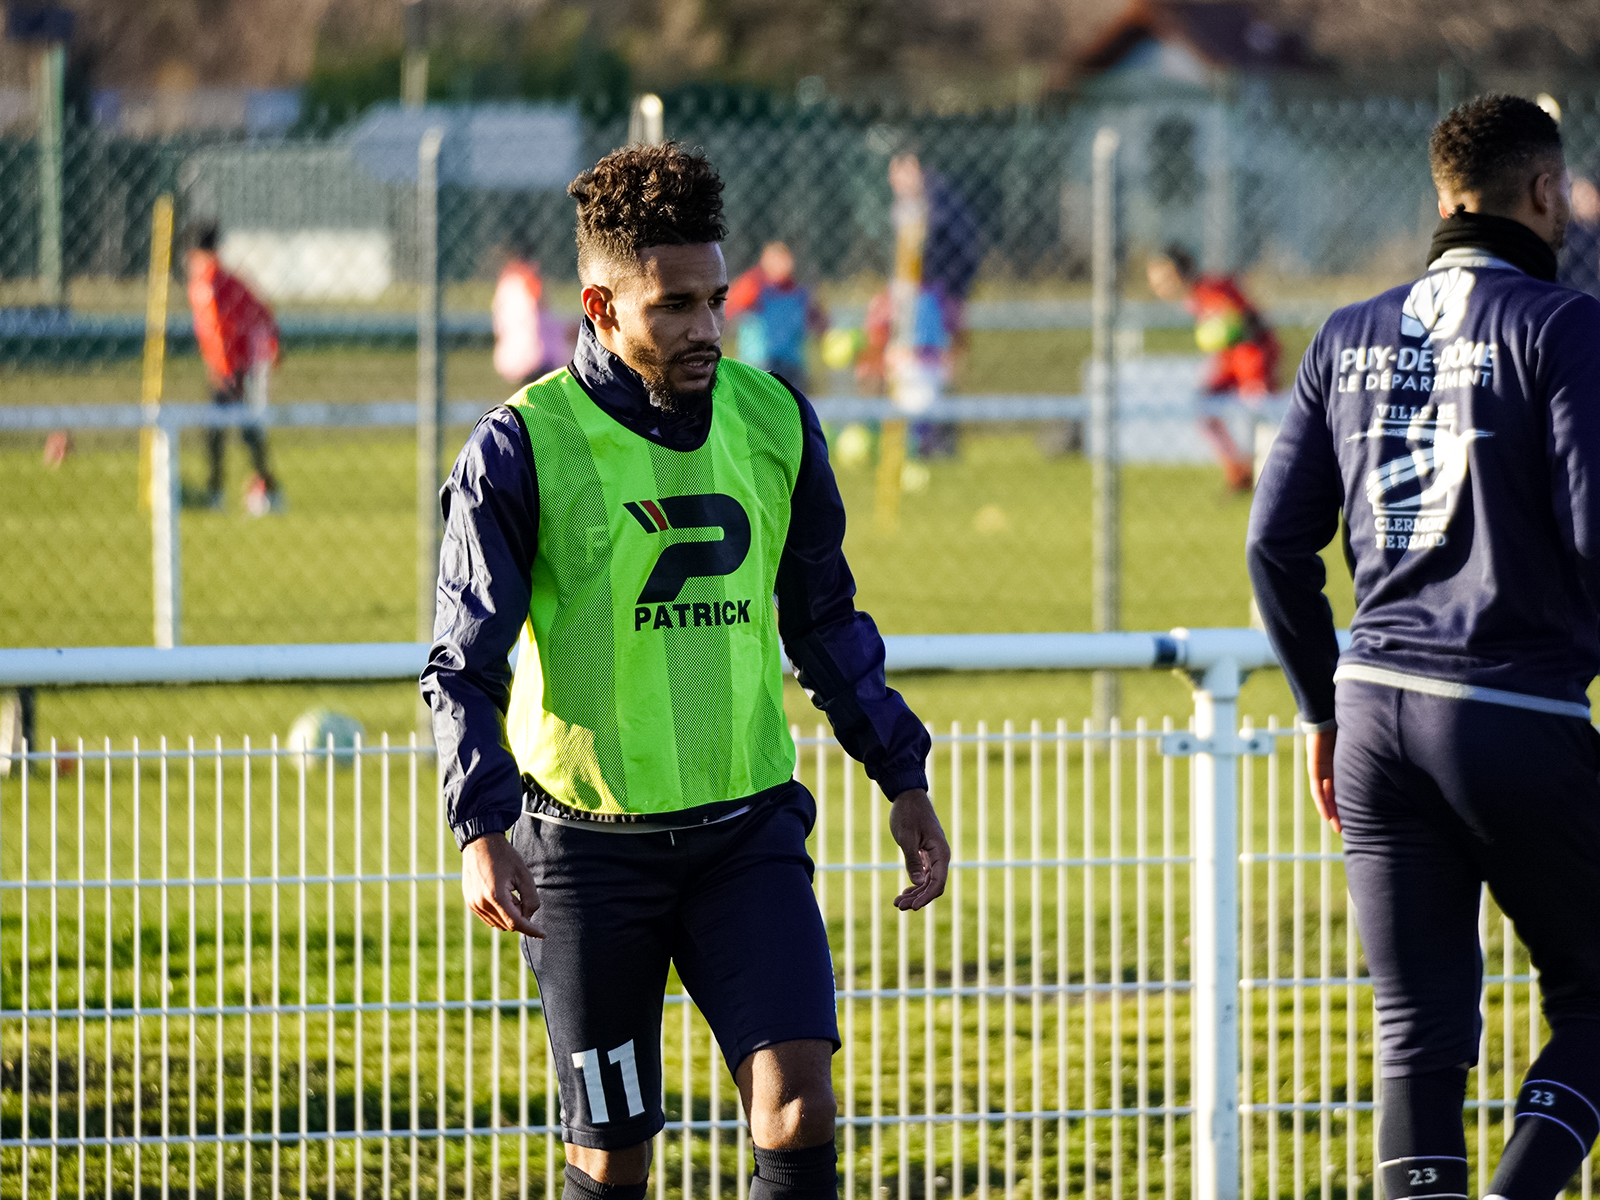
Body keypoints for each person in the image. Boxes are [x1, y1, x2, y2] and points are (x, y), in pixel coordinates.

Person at [420, 142, 950, 1200]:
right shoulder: (520, 446)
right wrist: (480, 828)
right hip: (585, 857)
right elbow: (461, 665)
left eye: (715, 299)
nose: (706, 327)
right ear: (601, 306)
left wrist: (901, 774)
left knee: (799, 1105)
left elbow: (825, 620)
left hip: (747, 839)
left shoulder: (773, 420)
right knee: (613, 1154)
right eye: (673, 306)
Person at [1247, 94, 1600, 1200]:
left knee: (1418, 1030)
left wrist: (1319, 707)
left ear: (1442, 198)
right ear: (1541, 190)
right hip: (1513, 710)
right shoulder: (1564, 325)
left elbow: (1272, 546)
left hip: (1370, 717)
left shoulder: (1344, 331)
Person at [1147, 245, 1280, 492]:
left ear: (1182, 272)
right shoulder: (1196, 297)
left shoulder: (1210, 290)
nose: (1159, 287)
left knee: (1261, 415)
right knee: (1204, 406)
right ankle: (1238, 470)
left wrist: (1222, 330)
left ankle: (1270, 478)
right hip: (1232, 362)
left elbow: (1245, 322)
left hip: (1252, 358)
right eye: (1155, 282)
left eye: (1164, 279)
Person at [184, 221, 282, 513]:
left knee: (224, 431)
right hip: (238, 364)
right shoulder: (228, 279)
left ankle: (225, 493)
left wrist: (224, 369)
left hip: (228, 368)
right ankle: (261, 488)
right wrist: (272, 342)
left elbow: (216, 330)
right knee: (240, 430)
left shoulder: (208, 283)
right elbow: (261, 310)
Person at [726, 240, 827, 390]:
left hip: (791, 363)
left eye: (784, 259)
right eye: (776, 259)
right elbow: (727, 309)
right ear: (764, 261)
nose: (782, 264)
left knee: (793, 399)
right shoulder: (753, 286)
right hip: (759, 362)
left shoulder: (798, 294)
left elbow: (820, 322)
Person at [492, 249, 576, 388]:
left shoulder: (505, 285)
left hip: (508, 361)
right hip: (535, 360)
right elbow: (540, 323)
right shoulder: (530, 282)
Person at [1558, 173, 1600, 298]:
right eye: (1579, 197)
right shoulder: (1568, 232)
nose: (1586, 201)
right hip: (1573, 291)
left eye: (1588, 194)